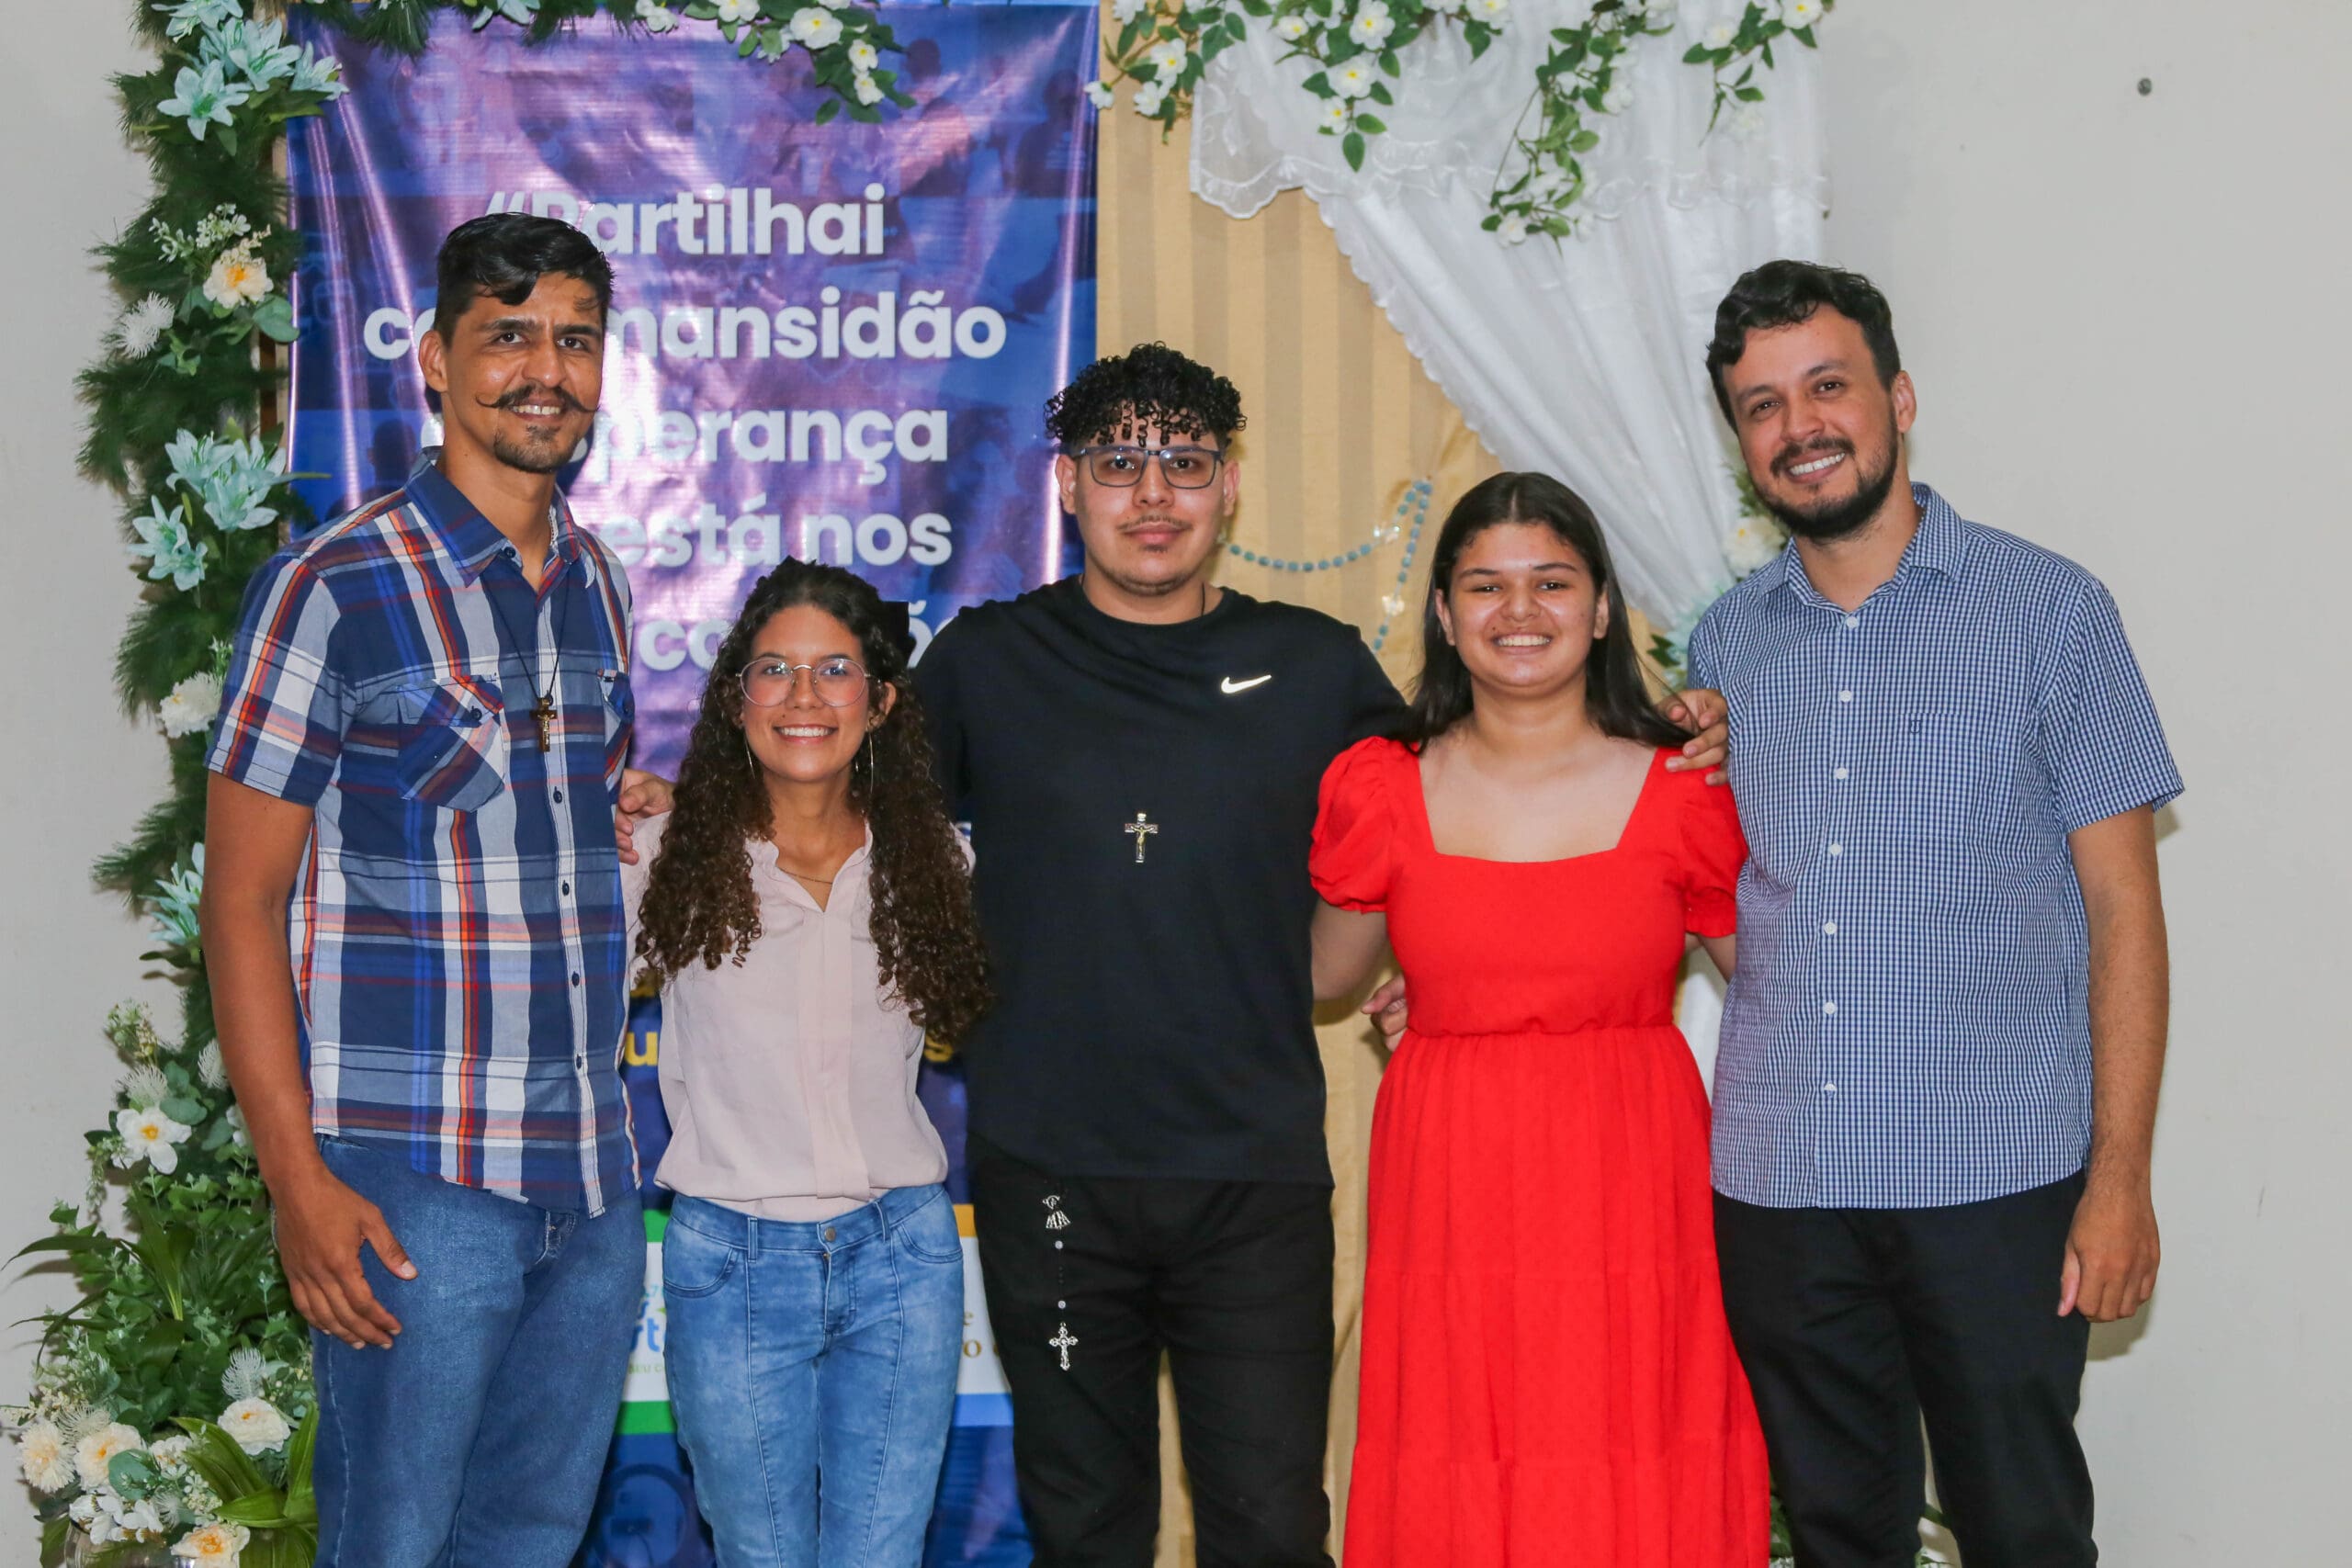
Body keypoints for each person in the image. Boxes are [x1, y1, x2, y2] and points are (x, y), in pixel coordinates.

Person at [616, 343, 1728, 1564]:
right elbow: (823, 772)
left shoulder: (1315, 668)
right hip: (1049, 1173)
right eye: (1118, 463)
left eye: (1185, 463)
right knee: (1087, 1524)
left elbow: (1471, 793)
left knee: (1268, 1524)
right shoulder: (985, 660)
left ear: (1228, 488)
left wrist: (1663, 729)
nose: (1153, 494)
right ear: (1068, 486)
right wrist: (670, 802)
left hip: (1252, 1178)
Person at [1690, 260, 2180, 1568]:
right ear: (1741, 442)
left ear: (1898, 398)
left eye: (1827, 386)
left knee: (2023, 1531)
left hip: (1999, 1182)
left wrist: (2119, 1180)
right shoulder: (1727, 647)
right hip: (1784, 1185)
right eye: (1762, 405)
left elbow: (2125, 912)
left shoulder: (2051, 613)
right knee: (1836, 1537)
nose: (1800, 425)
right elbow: (1721, 900)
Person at [199, 213, 644, 1566]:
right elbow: (240, 904)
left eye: (574, 338)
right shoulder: (331, 586)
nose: (545, 370)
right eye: (508, 336)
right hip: (412, 1184)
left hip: (594, 1184)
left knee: (529, 1544)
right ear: (436, 361)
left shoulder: (598, 585)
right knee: (391, 1545)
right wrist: (298, 1183)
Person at [1307, 472, 1769, 1567]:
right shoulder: (1378, 785)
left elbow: (1783, 991)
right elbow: (1321, 976)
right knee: (1462, 1442)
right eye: (1486, 585)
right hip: (1450, 1171)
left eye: (1552, 582)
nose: (1519, 610)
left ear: (1602, 608)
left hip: (1633, 1169)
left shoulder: (1689, 782)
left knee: (1629, 1432)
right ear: (1444, 612)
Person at [624, 559, 990, 1568]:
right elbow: (561, 1018)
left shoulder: (935, 861)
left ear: (881, 701)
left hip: (904, 1258)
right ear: (734, 697)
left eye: (834, 670)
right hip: (730, 1261)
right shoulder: (662, 858)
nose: (803, 697)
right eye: (773, 670)